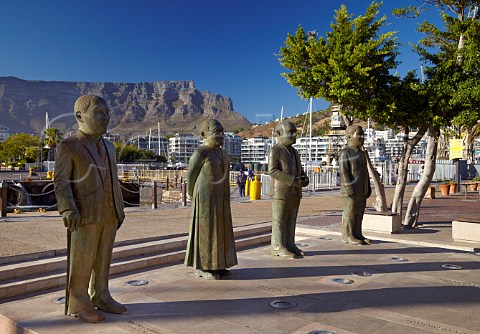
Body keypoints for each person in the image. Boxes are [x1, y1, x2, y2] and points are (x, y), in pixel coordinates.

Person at [54, 95, 127, 323]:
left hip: (109, 213)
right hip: (84, 215)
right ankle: (78, 302)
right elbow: (61, 181)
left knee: (104, 259)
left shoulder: (109, 147)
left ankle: (102, 295)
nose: (105, 117)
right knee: (82, 260)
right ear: (79, 116)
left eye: (107, 113)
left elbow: (114, 180)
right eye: (99, 113)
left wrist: (119, 208)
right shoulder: (69, 145)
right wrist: (67, 209)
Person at [184, 118, 238, 279]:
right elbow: (191, 175)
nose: (221, 135)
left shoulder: (223, 153)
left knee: (221, 230)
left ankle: (219, 264)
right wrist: (191, 193)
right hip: (205, 199)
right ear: (203, 134)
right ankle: (203, 266)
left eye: (222, 132)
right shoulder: (201, 153)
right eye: (216, 132)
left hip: (221, 198)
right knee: (206, 231)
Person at [268, 121, 309, 259]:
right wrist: (293, 180)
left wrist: (304, 177)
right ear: (279, 134)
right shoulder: (275, 150)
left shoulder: (294, 152)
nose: (293, 135)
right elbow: (272, 171)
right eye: (290, 132)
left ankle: (290, 244)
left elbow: (300, 169)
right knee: (279, 220)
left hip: (295, 192)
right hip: (281, 192)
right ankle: (278, 246)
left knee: (291, 219)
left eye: (294, 132)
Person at [338, 125, 372, 245]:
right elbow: (344, 172)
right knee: (350, 212)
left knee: (359, 213)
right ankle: (347, 235)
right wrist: (348, 186)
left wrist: (368, 186)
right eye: (359, 135)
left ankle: (358, 233)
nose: (362, 137)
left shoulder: (362, 153)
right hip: (351, 189)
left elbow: (365, 171)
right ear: (348, 137)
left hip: (362, 188)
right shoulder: (345, 153)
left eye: (363, 135)